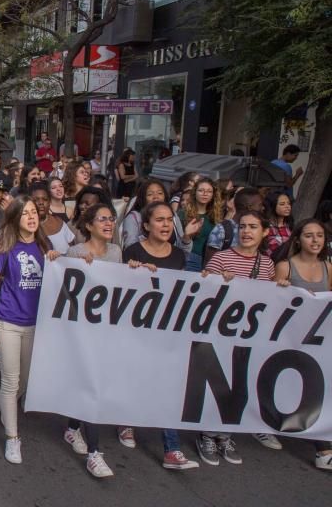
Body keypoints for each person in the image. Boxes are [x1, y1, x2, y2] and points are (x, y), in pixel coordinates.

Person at [122, 202, 200, 471]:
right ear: (146, 225)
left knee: (168, 387)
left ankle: (172, 448)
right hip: (136, 329)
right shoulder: (131, 251)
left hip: (166, 330)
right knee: (135, 379)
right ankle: (126, 420)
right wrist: (131, 270)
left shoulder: (179, 256)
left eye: (169, 220)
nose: (166, 225)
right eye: (159, 220)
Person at [0, 196, 58, 464]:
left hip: (35, 325)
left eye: (34, 212)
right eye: (25, 213)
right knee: (10, 381)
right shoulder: (5, 248)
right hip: (7, 323)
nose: (32, 217)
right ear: (15, 219)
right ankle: (13, 437)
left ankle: (8, 408)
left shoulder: (45, 247)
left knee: (24, 382)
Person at [199, 209, 276, 466]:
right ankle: (207, 435)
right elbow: (204, 290)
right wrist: (218, 282)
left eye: (253, 227)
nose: (246, 231)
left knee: (240, 386)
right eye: (243, 226)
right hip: (221, 333)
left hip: (250, 335)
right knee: (219, 384)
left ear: (264, 232)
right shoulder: (221, 258)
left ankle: (225, 435)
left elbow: (271, 299)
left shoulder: (267, 264)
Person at [62, 203, 122, 478]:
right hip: (81, 333)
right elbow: (64, 289)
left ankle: (73, 428)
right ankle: (94, 454)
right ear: (88, 226)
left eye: (111, 219)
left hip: (106, 334)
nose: (109, 223)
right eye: (102, 219)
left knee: (92, 386)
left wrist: (134, 270)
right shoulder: (76, 252)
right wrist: (60, 260)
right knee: (92, 388)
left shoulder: (116, 252)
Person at [272, 219, 332, 471]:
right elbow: (271, 303)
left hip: (318, 342)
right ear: (298, 239)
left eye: (319, 235)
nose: (315, 240)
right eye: (309, 235)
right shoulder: (285, 267)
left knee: (319, 388)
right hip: (288, 339)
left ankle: (324, 447)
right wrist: (281, 288)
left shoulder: (328, 267)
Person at [178, 179, 223, 270]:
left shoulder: (216, 217)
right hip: (187, 257)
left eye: (209, 191)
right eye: (201, 190)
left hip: (208, 261)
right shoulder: (182, 214)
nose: (205, 194)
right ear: (195, 193)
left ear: (213, 195)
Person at [31, 182, 74, 254]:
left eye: (45, 199)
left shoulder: (59, 221)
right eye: (36, 200)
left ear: (49, 202)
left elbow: (73, 249)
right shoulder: (26, 226)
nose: (41, 202)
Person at [264, 191, 293, 256]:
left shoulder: (289, 226)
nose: (287, 206)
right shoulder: (266, 227)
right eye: (282, 204)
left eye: (289, 203)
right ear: (272, 206)